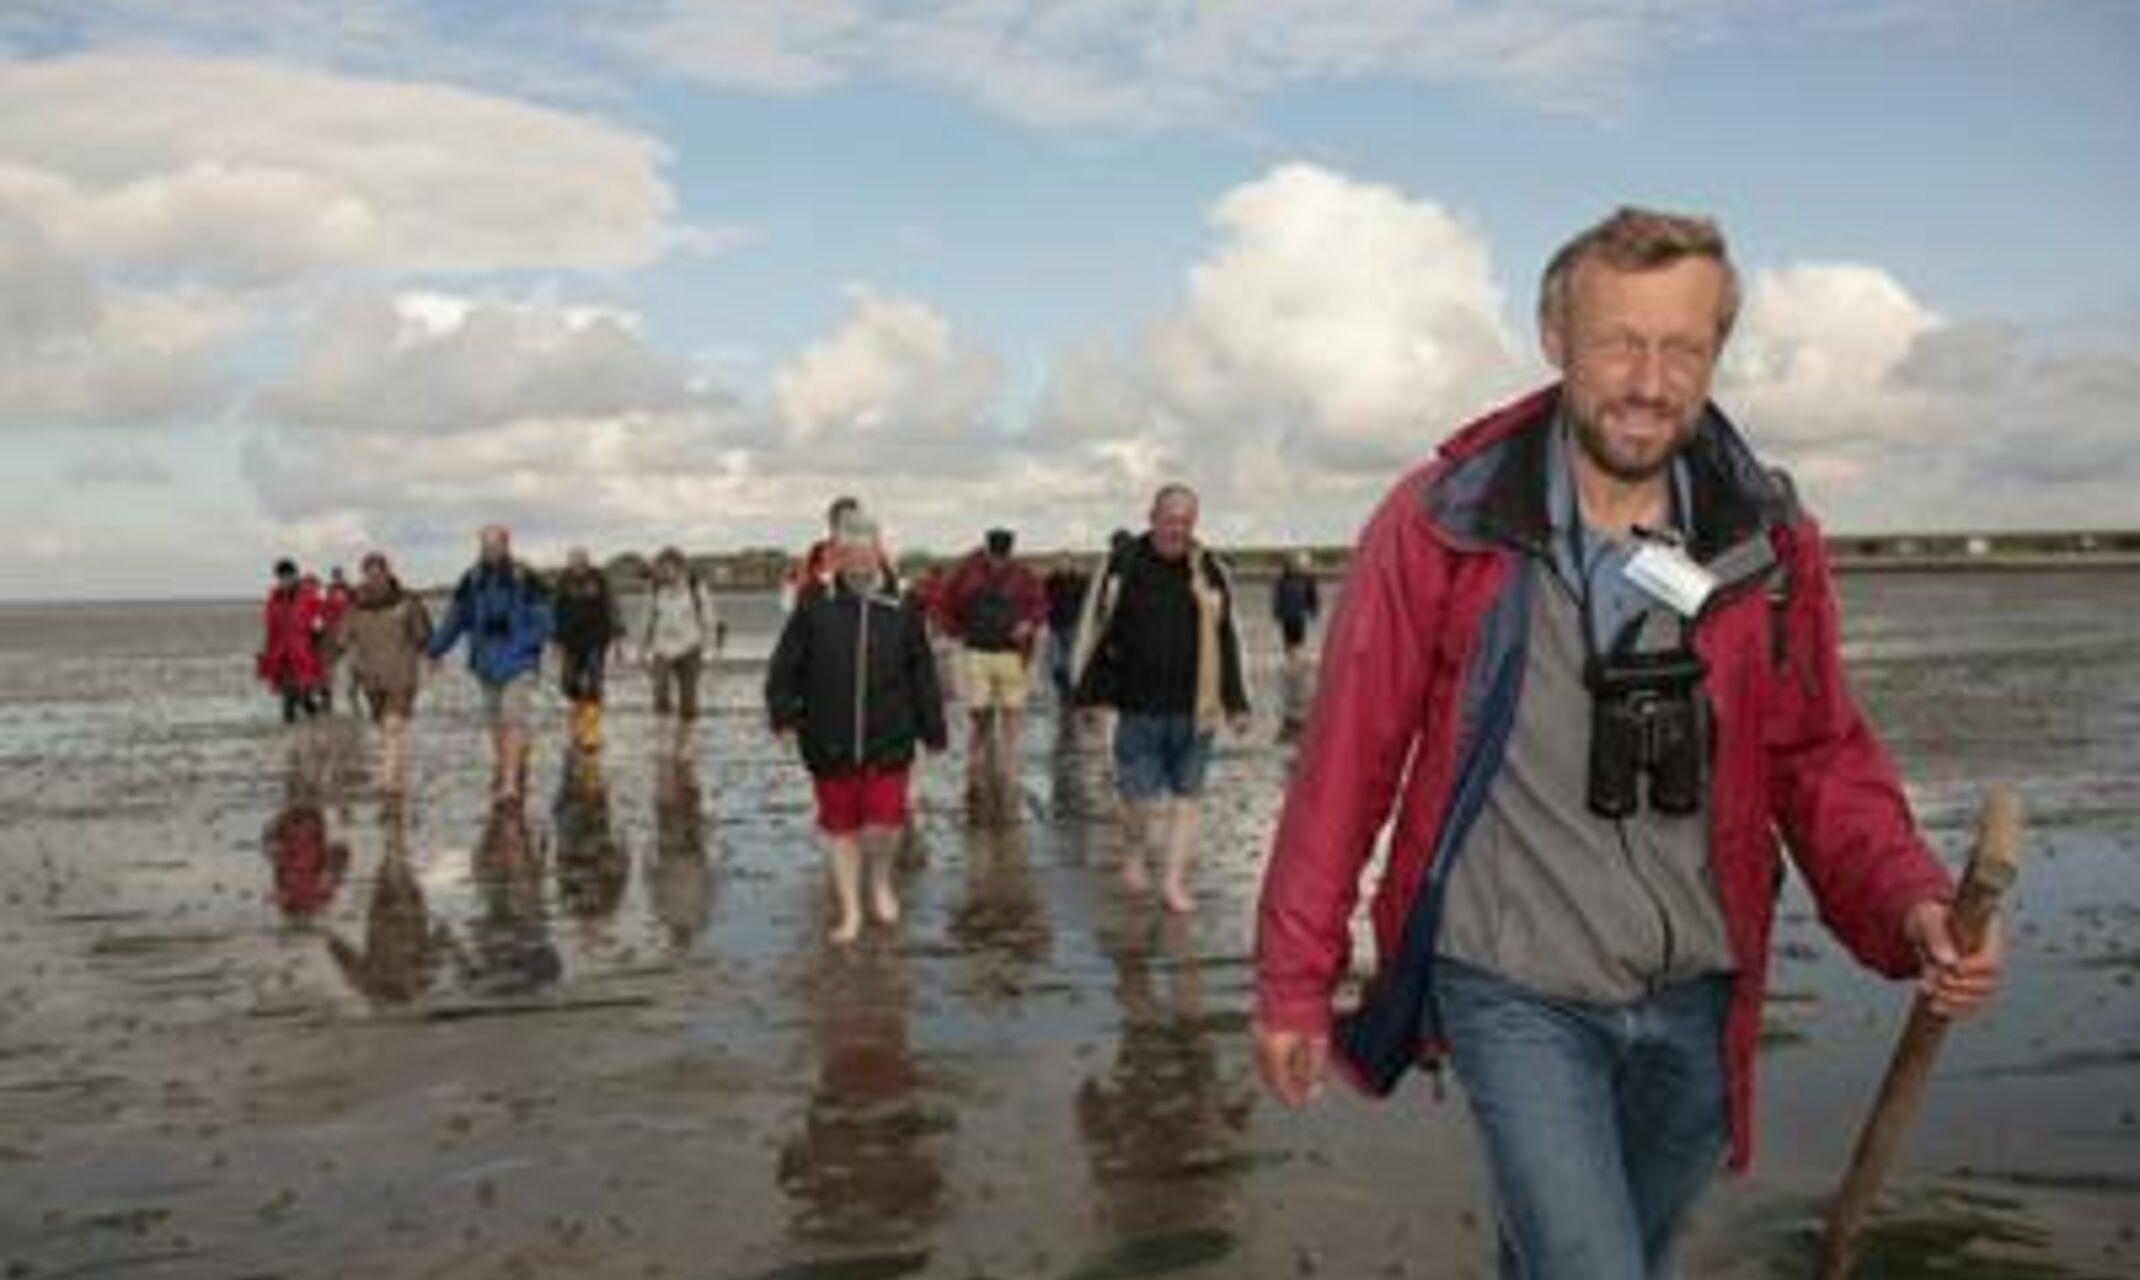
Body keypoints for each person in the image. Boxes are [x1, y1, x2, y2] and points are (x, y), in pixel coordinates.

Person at [1249, 207, 2005, 1280]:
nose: (1648, 380)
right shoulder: (1442, 523)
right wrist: (1293, 977)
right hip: (1511, 982)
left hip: (1698, 986)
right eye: (1618, 342)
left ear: (1714, 354)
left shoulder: (1767, 538)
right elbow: (1345, 765)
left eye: (1681, 347)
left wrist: (1910, 901)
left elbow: (1819, 754)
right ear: (1556, 337)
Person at [766, 511, 947, 945]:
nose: (859, 561)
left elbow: (922, 671)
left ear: (879, 552)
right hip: (828, 736)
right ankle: (850, 910)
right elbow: (784, 668)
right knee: (841, 829)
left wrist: (933, 728)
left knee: (882, 827)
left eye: (867, 552)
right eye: (849, 553)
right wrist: (784, 716)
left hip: (891, 736)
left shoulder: (904, 604)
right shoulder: (815, 602)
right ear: (838, 555)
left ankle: (881, 881)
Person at [1073, 485, 1251, 914]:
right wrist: (1089, 698)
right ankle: (1134, 853)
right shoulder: (1122, 564)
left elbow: (1228, 638)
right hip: (1136, 706)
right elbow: (1095, 630)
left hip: (1197, 707)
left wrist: (1237, 703)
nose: (1178, 530)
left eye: (1186, 522)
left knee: (1188, 797)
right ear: (1151, 516)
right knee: (1137, 800)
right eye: (1170, 520)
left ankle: (1173, 882)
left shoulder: (1209, 569)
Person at [426, 524, 554, 803]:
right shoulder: (471, 579)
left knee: (512, 718)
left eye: (496, 545)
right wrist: (435, 650)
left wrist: (530, 644)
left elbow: (545, 617)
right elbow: (455, 619)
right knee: (496, 722)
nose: (491, 550)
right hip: (485, 662)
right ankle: (510, 763)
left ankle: (509, 783)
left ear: (507, 545)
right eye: (486, 545)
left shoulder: (525, 577)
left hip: (519, 661)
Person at [942, 527, 1047, 821]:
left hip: (1012, 656)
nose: (999, 562)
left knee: (1012, 721)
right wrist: (956, 633)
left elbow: (1040, 605)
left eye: (1004, 556)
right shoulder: (969, 571)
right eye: (996, 555)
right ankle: (976, 778)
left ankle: (1007, 780)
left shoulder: (1021, 574)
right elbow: (945, 603)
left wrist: (1029, 623)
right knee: (981, 721)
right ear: (988, 549)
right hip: (978, 654)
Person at [333, 551, 432, 798]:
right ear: (364, 575)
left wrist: (431, 656)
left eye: (379, 572)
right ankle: (396, 773)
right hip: (371, 679)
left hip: (402, 675)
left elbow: (423, 635)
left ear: (388, 572)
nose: (375, 578)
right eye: (369, 573)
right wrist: (327, 664)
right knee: (384, 727)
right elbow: (341, 639)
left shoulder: (407, 602)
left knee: (393, 727)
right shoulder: (355, 605)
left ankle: (388, 781)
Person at [641, 546, 719, 753]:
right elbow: (647, 620)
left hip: (690, 647)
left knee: (688, 701)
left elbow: (709, 619)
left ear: (679, 567)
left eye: (667, 568)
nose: (664, 573)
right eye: (660, 568)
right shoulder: (656, 589)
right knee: (660, 692)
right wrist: (642, 649)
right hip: (662, 648)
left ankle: (686, 741)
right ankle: (664, 739)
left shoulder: (696, 588)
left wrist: (710, 648)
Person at [551, 547, 624, 754]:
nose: (578, 565)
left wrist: (617, 632)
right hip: (570, 641)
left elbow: (612, 605)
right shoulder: (562, 581)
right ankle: (577, 719)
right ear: (569, 563)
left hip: (596, 639)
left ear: (588, 561)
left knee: (594, 683)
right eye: (573, 561)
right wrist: (554, 639)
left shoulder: (600, 579)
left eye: (581, 561)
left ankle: (591, 733)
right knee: (568, 684)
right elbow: (553, 610)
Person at [255, 558, 325, 723]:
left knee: (303, 695)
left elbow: (322, 616)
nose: (285, 581)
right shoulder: (274, 600)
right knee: (288, 698)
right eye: (281, 578)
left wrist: (318, 630)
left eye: (288, 576)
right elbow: (271, 629)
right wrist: (265, 653)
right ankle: (291, 732)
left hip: (303, 653)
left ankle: (318, 722)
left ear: (295, 576)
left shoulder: (308, 596)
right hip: (282, 655)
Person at [1041, 556, 1091, 708]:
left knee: (1069, 658)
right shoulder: (1050, 581)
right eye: (1060, 563)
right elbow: (1043, 600)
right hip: (1055, 625)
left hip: (1074, 625)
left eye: (1067, 563)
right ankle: (1064, 687)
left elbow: (1087, 601)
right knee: (1056, 661)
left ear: (1072, 564)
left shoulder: (1080, 581)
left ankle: (1069, 691)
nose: (1063, 566)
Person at [1269, 552, 1321, 661]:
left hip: (1298, 614)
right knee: (1289, 639)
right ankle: (1291, 658)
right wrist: (1276, 611)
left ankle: (1295, 658)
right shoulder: (1282, 579)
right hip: (1288, 614)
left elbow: (1312, 596)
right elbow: (1277, 597)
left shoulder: (1307, 579)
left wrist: (1314, 610)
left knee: (1298, 639)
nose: (1296, 568)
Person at [318, 566, 354, 712]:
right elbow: (323, 609)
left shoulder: (350, 590)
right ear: (332, 577)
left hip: (348, 633)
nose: (337, 578)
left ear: (342, 576)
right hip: (332, 633)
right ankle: (327, 698)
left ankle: (352, 694)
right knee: (328, 667)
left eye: (339, 575)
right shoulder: (328, 591)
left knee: (351, 666)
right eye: (335, 576)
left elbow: (355, 608)